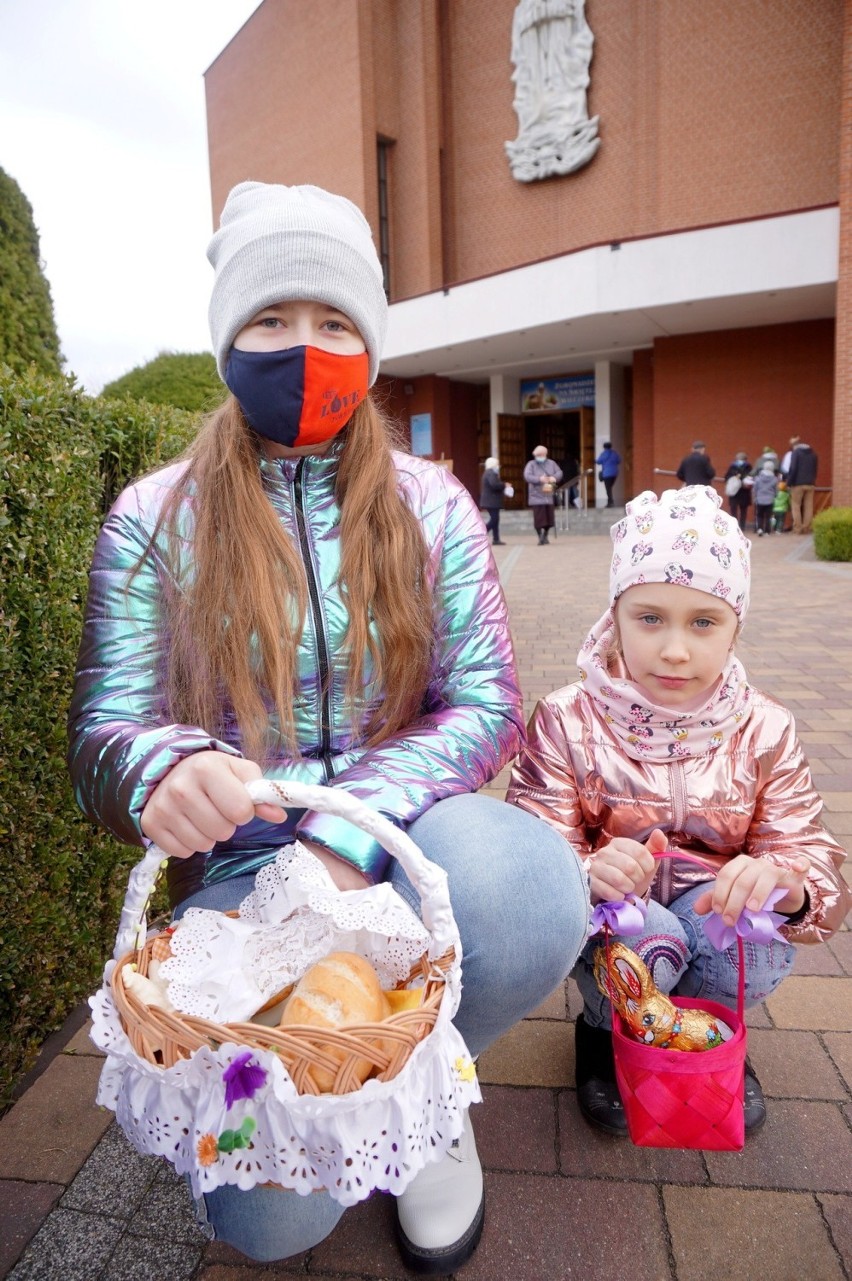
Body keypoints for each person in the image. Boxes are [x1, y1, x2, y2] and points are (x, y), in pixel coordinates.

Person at [68, 181, 590, 1271]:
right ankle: (330, 1119)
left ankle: (425, 1097)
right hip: (242, 872)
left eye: (334, 321)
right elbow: (105, 727)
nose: (304, 349)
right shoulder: (153, 517)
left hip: (408, 837)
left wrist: (349, 834)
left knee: (537, 889)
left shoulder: (434, 504)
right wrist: (158, 767)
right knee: (267, 1222)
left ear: (372, 339)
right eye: (271, 319)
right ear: (226, 339)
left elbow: (486, 702)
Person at [506, 485, 849, 1138]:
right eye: (650, 617)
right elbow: (530, 848)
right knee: (645, 933)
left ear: (735, 626)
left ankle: (707, 1027)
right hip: (616, 922)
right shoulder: (566, 719)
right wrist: (584, 869)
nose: (675, 650)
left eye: (703, 622)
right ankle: (606, 1030)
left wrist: (791, 885)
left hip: (712, 914)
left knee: (758, 933)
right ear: (615, 615)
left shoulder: (765, 728)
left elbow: (813, 861)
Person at [524, 444, 563, 543]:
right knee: (539, 519)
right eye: (538, 455)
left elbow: (559, 473)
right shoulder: (531, 464)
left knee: (549, 519)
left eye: (541, 454)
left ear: (545, 454)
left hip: (548, 495)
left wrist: (553, 478)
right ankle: (540, 536)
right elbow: (527, 476)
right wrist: (539, 479)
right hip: (536, 496)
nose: (539, 456)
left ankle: (545, 535)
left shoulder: (551, 463)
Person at [787, 440, 819, 535]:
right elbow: (815, 469)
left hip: (797, 484)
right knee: (808, 506)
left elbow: (793, 468)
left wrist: (789, 482)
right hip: (810, 483)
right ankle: (807, 528)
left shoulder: (796, 453)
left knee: (796, 506)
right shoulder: (814, 454)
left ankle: (797, 528)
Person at [479, 455, 509, 544]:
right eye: (497, 464)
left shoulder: (488, 473)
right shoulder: (491, 473)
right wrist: (504, 485)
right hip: (491, 500)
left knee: (495, 519)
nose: (499, 466)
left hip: (491, 500)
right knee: (494, 519)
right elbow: (494, 484)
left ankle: (496, 539)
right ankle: (482, 533)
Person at [723, 451, 752, 531]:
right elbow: (751, 477)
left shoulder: (732, 467)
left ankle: (734, 526)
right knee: (743, 510)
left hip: (734, 492)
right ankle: (742, 527)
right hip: (744, 491)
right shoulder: (748, 467)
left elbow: (726, 477)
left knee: (733, 509)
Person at [751, 460, 778, 537]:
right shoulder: (774, 479)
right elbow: (776, 490)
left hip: (759, 499)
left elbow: (755, 489)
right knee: (768, 516)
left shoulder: (758, 478)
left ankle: (759, 529)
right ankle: (767, 531)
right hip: (770, 500)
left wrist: (755, 497)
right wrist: (775, 496)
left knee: (759, 515)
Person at [595, 440, 621, 508]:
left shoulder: (603, 454)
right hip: (614, 473)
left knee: (608, 488)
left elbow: (598, 462)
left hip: (606, 474)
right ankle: (610, 502)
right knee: (609, 487)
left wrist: (594, 460)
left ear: (604, 447)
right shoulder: (614, 453)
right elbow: (619, 461)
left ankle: (610, 502)